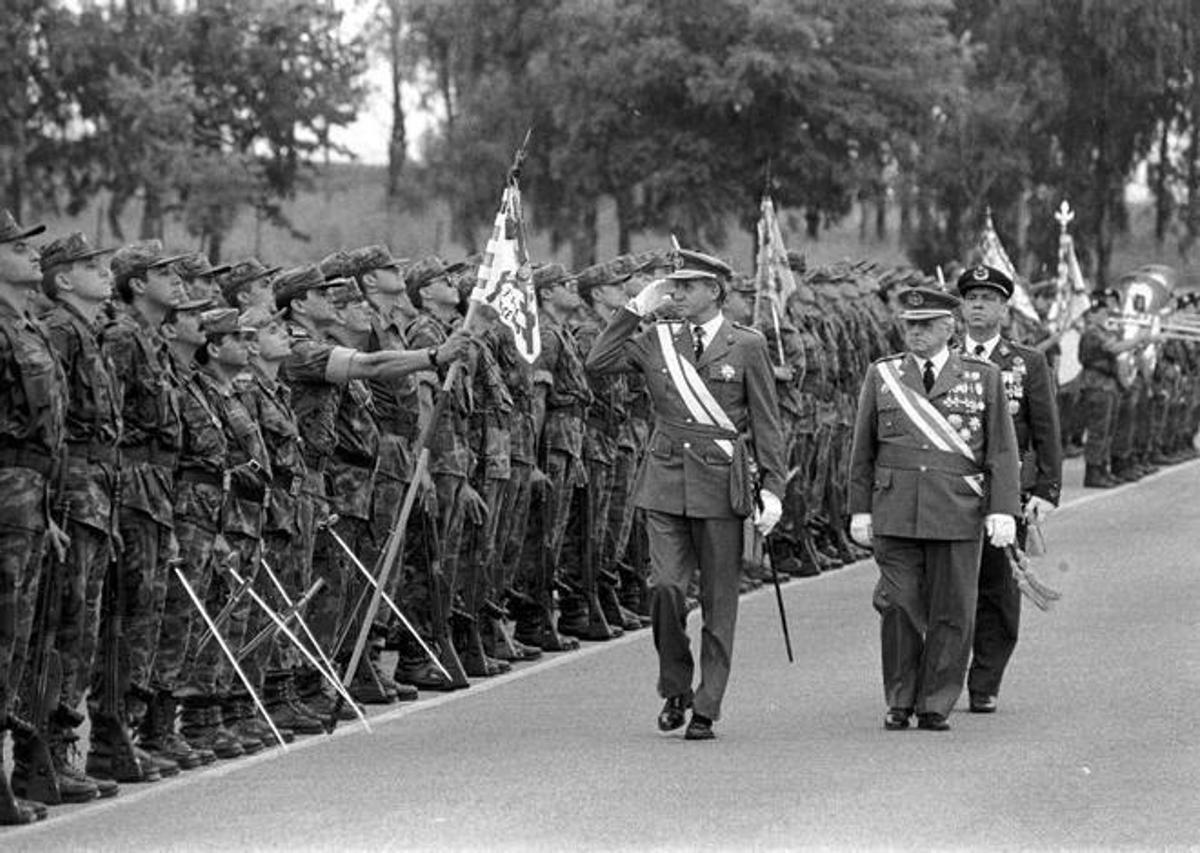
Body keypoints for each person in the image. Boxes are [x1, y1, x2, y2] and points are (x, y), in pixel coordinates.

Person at [586, 248, 785, 741]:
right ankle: (675, 685)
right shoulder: (658, 338)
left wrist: (774, 490)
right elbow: (598, 361)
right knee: (666, 589)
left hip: (720, 485)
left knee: (719, 602)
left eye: (685, 287)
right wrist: (635, 309)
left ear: (714, 291)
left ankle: (707, 705)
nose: (675, 294)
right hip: (665, 480)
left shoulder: (747, 344)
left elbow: (766, 422)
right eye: (672, 286)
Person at [848, 285, 1020, 732]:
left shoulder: (982, 377)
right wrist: (859, 510)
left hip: (956, 510)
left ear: (949, 327)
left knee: (952, 610)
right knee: (898, 605)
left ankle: (935, 702)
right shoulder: (883, 375)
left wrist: (1003, 509)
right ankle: (899, 698)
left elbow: (1001, 450)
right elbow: (862, 449)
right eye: (910, 325)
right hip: (895, 510)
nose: (916, 333)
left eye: (926, 325)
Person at [956, 265, 1062, 714]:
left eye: (989, 299)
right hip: (949, 491)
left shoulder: (1027, 362)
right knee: (947, 589)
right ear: (960, 308)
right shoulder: (942, 359)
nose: (979, 305)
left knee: (997, 590)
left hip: (1005, 493)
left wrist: (1046, 490)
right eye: (971, 298)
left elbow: (1046, 429)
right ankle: (941, 676)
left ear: (1004, 309)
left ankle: (984, 682)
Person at [0, 209, 66, 825]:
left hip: (29, 496)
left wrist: (45, 510)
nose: (32, 253)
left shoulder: (29, 327)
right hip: (6, 492)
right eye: (17, 247)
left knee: (16, 637)